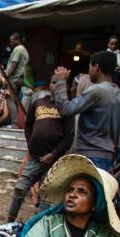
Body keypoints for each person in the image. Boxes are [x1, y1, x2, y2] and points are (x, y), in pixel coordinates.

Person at [52, 51, 120, 172]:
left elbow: (65, 109)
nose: (89, 71)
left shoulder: (96, 91)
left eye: (90, 67)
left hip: (90, 156)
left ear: (96, 67)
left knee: (84, 189)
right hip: (108, 156)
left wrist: (61, 82)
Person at [6, 80, 74, 222]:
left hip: (54, 161)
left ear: (65, 87)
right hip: (35, 157)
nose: (55, 86)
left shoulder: (66, 108)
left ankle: (37, 226)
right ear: (50, 85)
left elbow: (69, 137)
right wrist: (30, 145)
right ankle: (9, 222)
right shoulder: (39, 102)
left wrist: (53, 154)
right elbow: (28, 125)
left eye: (59, 83)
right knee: (20, 188)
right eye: (53, 82)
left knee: (45, 196)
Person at [5, 32, 29, 123]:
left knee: (9, 99)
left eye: (12, 41)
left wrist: (6, 77)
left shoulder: (18, 49)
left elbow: (14, 64)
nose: (10, 43)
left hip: (14, 79)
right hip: (20, 79)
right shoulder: (24, 50)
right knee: (14, 100)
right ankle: (15, 120)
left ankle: (14, 122)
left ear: (18, 40)